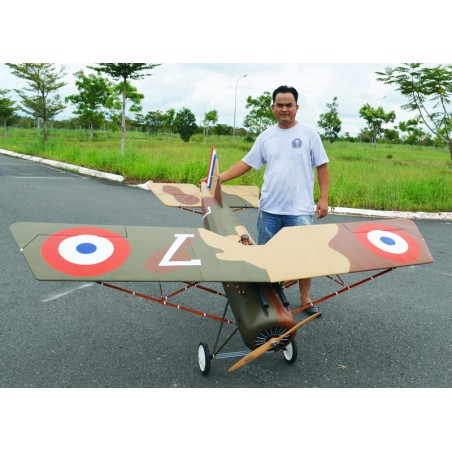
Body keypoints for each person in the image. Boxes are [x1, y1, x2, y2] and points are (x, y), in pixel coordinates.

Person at [213, 85, 330, 315]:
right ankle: (271, 300)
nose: (284, 109)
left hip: (300, 210)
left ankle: (305, 297)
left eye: (289, 105)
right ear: (273, 107)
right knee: (267, 257)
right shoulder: (266, 136)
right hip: (270, 210)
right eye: (280, 105)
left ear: (297, 107)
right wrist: (219, 178)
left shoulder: (309, 135)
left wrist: (324, 198)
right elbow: (247, 162)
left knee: (305, 257)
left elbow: (322, 166)